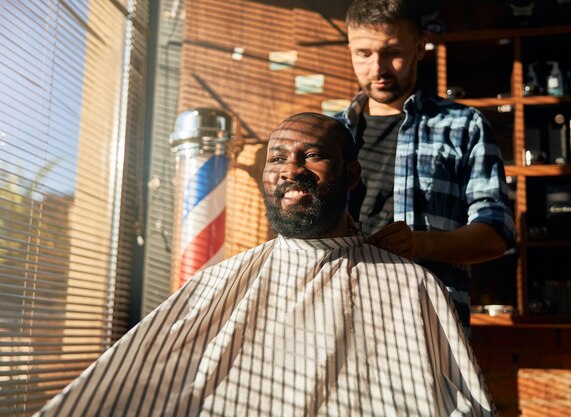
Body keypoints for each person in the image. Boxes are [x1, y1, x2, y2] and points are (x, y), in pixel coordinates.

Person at [33, 113, 496, 417]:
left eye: (312, 155)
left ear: (352, 174)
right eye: (277, 159)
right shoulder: (219, 283)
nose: (291, 170)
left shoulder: (408, 285)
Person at [337, 0, 516, 330]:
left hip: (426, 321)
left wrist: (421, 244)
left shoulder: (464, 126)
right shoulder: (330, 135)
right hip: (337, 316)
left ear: (420, 48)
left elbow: (496, 235)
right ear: (349, 49)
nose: (378, 68)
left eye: (392, 52)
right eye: (363, 53)